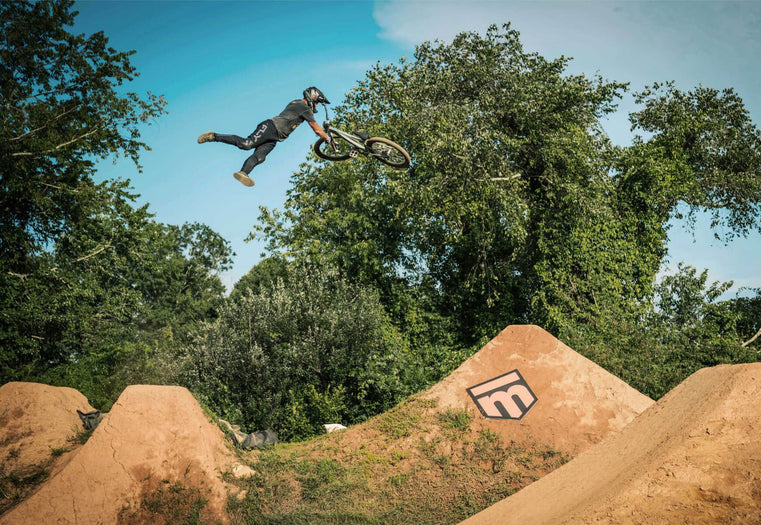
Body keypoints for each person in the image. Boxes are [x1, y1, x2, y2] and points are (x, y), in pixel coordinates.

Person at [197, 87, 332, 187]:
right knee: (246, 144)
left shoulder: (299, 104)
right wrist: (327, 138)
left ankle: (243, 173)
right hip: (270, 127)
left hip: (275, 137)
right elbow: (317, 129)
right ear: (312, 97)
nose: (316, 105)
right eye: (317, 102)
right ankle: (213, 136)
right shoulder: (303, 106)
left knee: (260, 157)